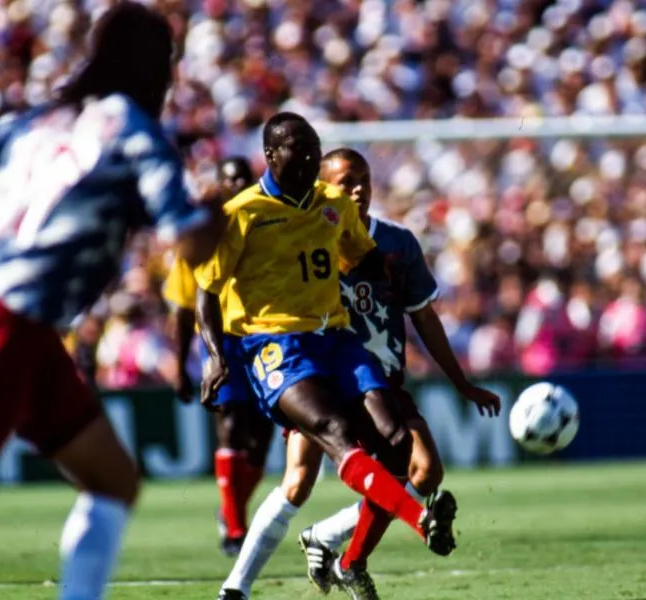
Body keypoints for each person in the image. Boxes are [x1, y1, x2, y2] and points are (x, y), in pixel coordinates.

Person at [0, 4, 224, 598]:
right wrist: (218, 209)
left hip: (13, 325)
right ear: (154, 67)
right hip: (6, 329)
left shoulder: (47, 119)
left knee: (113, 479)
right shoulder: (133, 128)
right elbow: (189, 242)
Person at [197, 112, 494, 600]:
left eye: (314, 145)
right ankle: (416, 524)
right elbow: (207, 292)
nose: (310, 154)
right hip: (278, 346)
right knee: (319, 454)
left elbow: (365, 256)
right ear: (271, 155)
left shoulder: (332, 206)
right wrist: (215, 356)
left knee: (398, 442)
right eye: (300, 147)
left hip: (337, 341)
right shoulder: (243, 213)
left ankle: (325, 556)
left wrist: (390, 274)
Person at [297, 148, 501, 596]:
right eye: (346, 181)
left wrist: (461, 381)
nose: (358, 189)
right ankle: (335, 557)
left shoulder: (396, 244)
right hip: (332, 382)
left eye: (365, 180)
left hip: (384, 380)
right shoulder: (305, 243)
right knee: (302, 480)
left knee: (426, 473)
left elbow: (423, 317)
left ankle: (336, 547)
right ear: (322, 188)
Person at [163, 156, 273, 556]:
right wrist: (179, 367)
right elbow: (181, 307)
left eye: (244, 177)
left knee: (261, 440)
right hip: (221, 342)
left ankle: (231, 510)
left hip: (264, 338)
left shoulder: (266, 225)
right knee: (230, 426)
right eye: (231, 178)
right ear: (221, 185)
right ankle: (235, 529)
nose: (238, 183)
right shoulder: (199, 238)